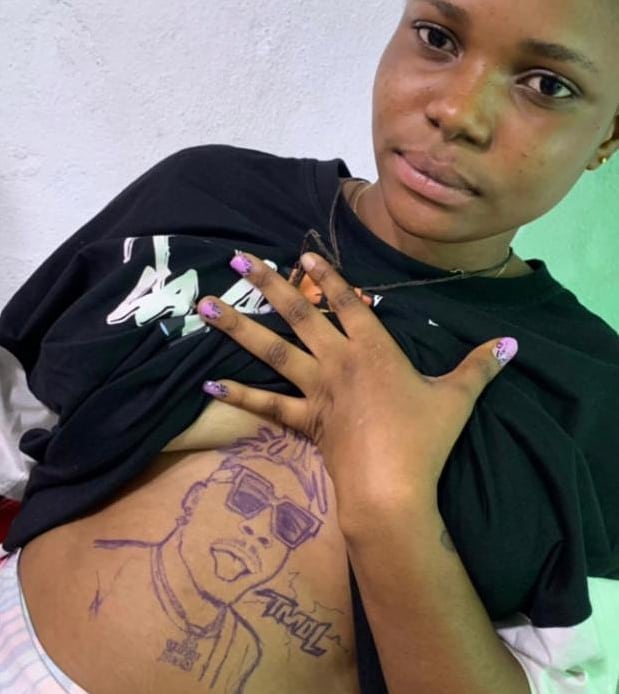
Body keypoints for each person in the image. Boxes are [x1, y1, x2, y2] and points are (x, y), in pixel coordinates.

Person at [0, 0, 618, 692]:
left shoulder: (589, 395)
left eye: (547, 85)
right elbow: (17, 413)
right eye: (437, 38)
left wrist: (390, 506)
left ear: (609, 133)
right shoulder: (210, 197)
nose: (457, 113)